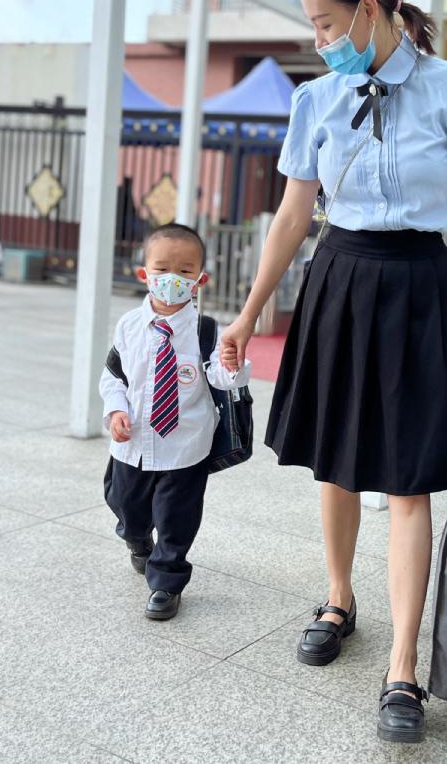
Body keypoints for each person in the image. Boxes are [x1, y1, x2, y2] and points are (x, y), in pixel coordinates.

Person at [219, 0, 447, 744]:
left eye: (325, 24)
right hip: (340, 277)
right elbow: (293, 215)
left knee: (409, 476)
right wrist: (249, 313)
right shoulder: (315, 101)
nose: (320, 41)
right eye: (313, 28)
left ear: (367, 9)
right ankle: (337, 598)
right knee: (336, 458)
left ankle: (403, 666)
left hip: (418, 285)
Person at [100, 223, 251, 621]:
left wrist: (232, 365)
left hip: (185, 445)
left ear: (201, 279)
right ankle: (137, 540)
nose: (173, 280)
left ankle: (167, 581)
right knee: (125, 506)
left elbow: (222, 379)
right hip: (133, 442)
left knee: (176, 517)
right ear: (144, 274)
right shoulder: (129, 326)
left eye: (185, 271)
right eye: (162, 269)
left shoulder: (206, 331)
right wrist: (116, 410)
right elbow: (114, 376)